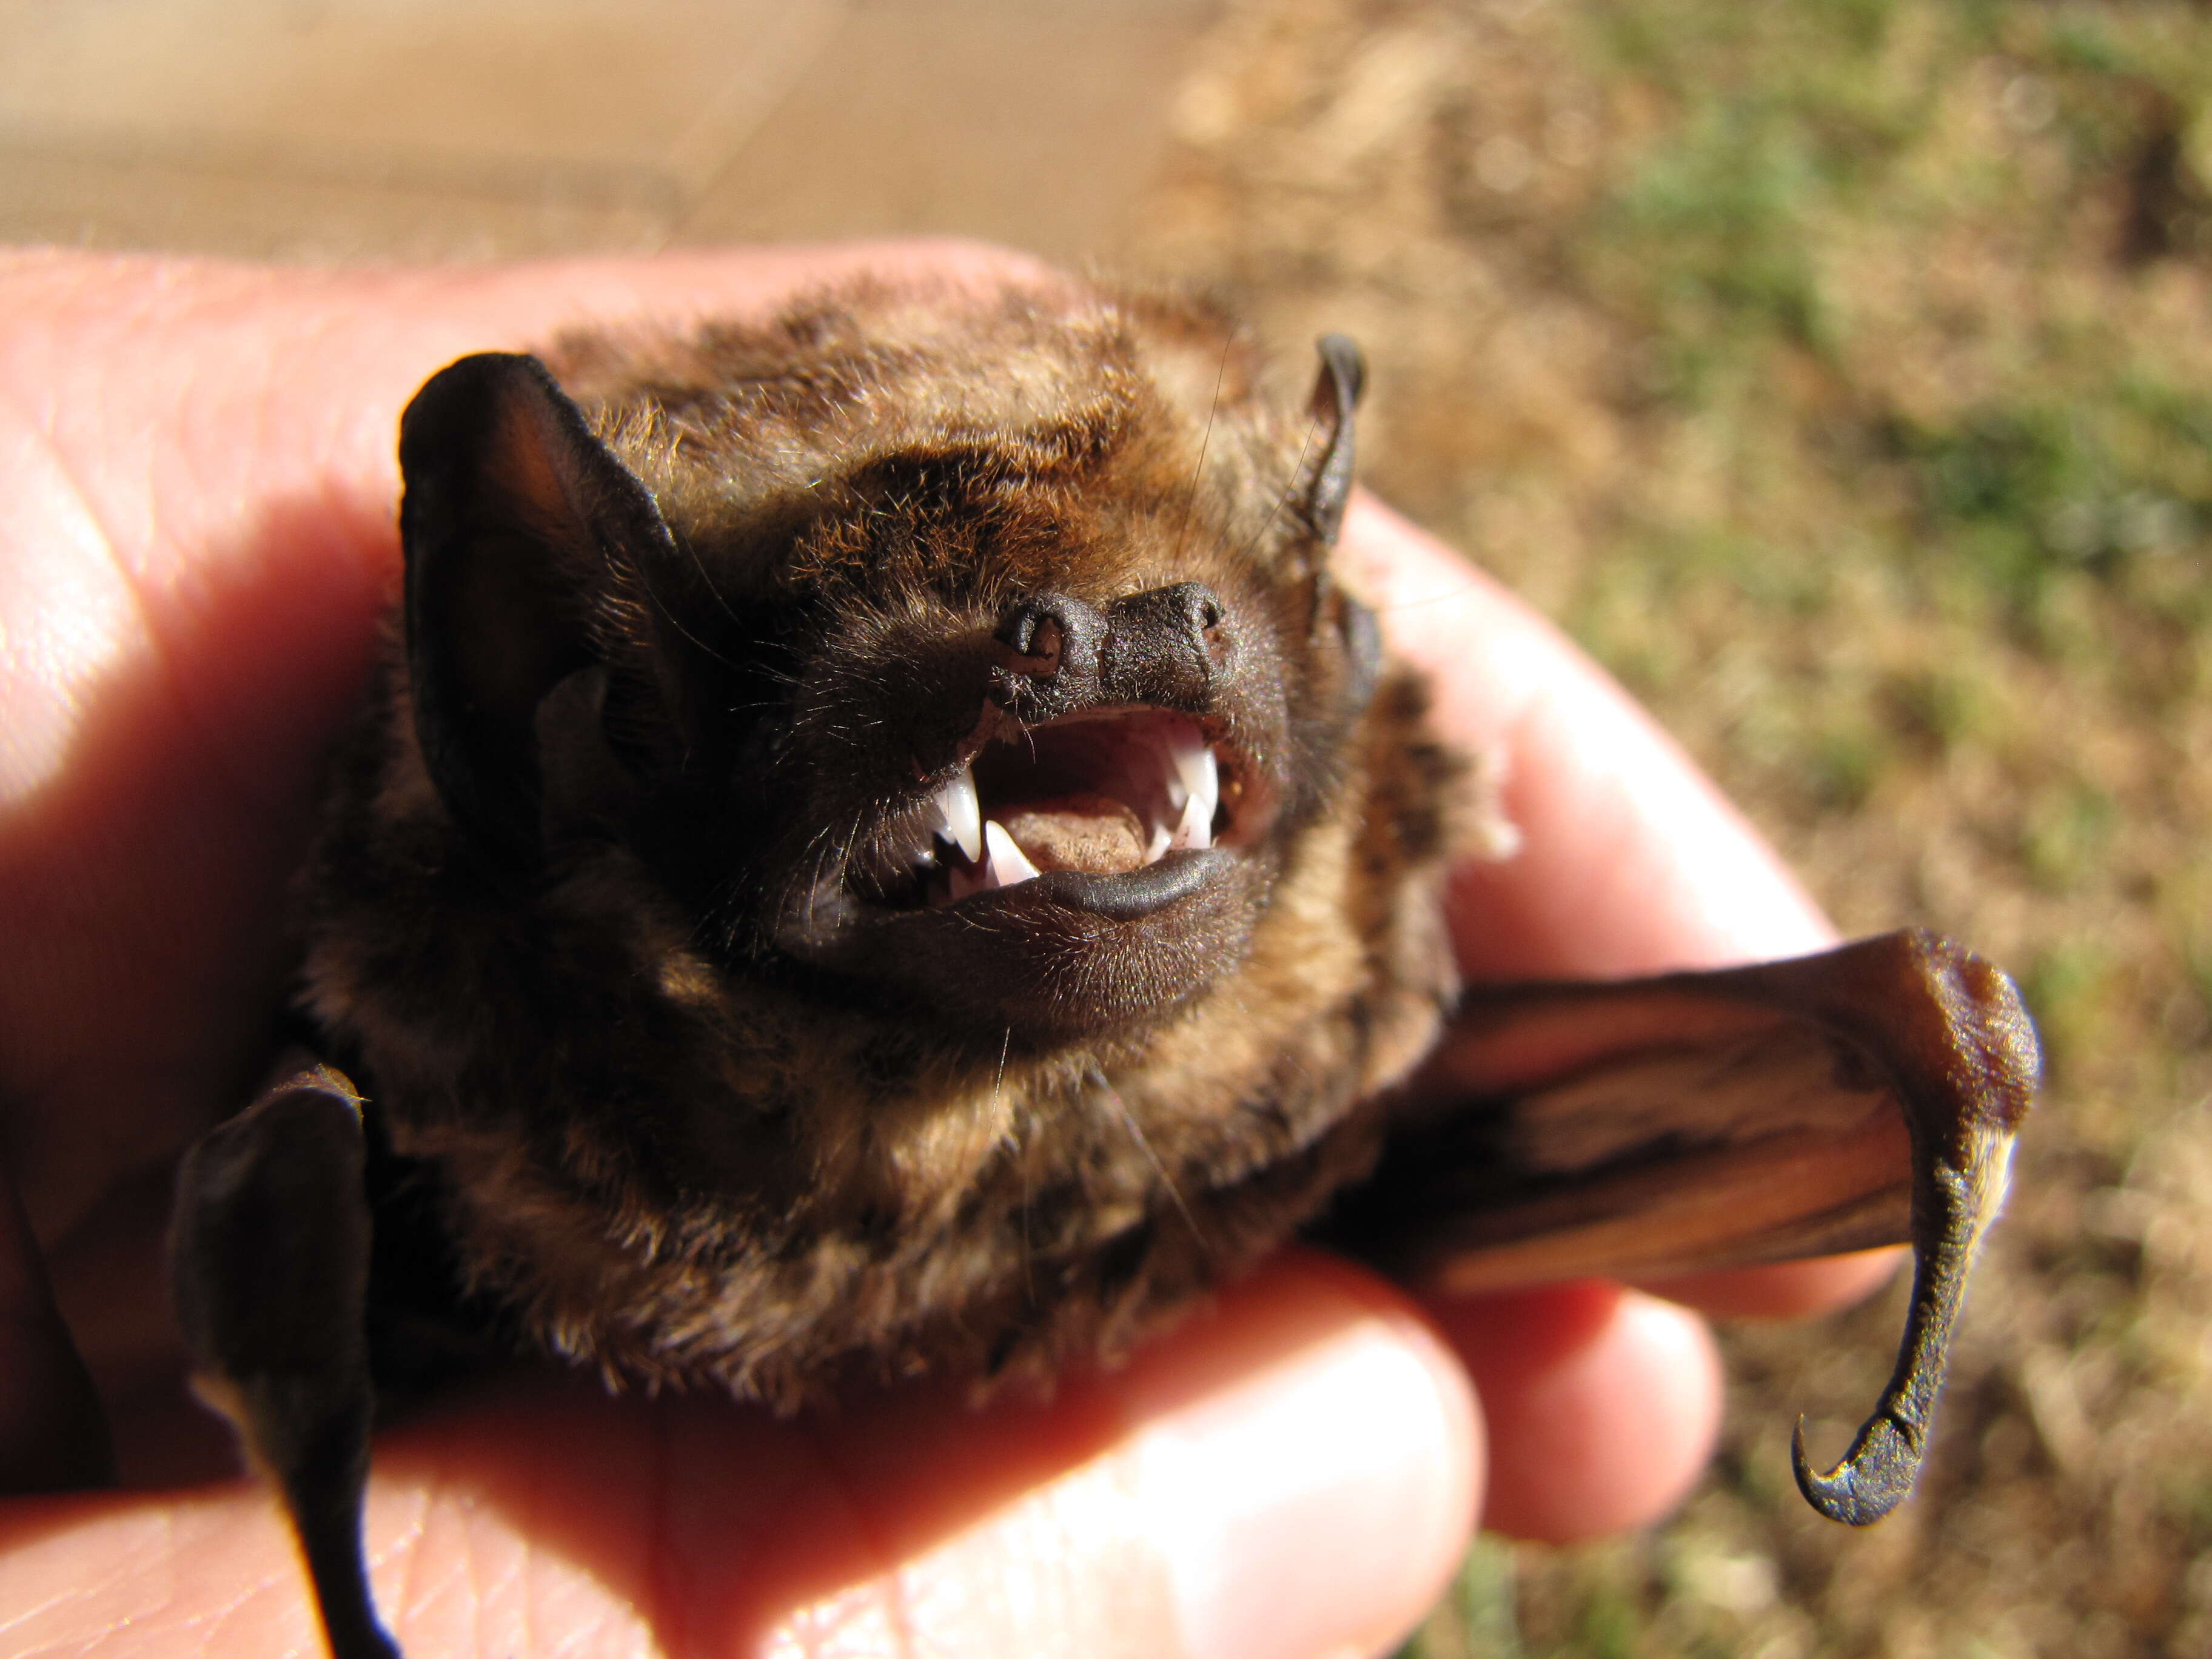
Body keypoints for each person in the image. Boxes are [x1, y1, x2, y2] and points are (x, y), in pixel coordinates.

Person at [0, 244, 1894, 1658]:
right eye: (958, 639)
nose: (1102, 646)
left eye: (1196, 610)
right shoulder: (478, 1042)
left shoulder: (1329, 934)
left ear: (1333, 668)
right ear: (568, 723)